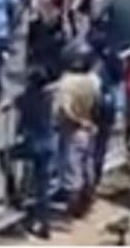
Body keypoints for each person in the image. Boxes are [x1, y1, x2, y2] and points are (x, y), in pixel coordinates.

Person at [54, 45, 102, 218]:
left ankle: (75, 209)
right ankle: (88, 201)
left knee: (73, 170)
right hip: (90, 128)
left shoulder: (66, 83)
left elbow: (65, 109)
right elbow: (98, 103)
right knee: (87, 165)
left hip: (74, 130)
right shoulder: (94, 80)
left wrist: (77, 121)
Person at [13, 65, 57, 239]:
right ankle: (45, 225)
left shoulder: (27, 98)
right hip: (48, 145)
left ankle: (14, 192)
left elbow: (16, 102)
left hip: (33, 145)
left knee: (5, 155)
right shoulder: (47, 98)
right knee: (43, 188)